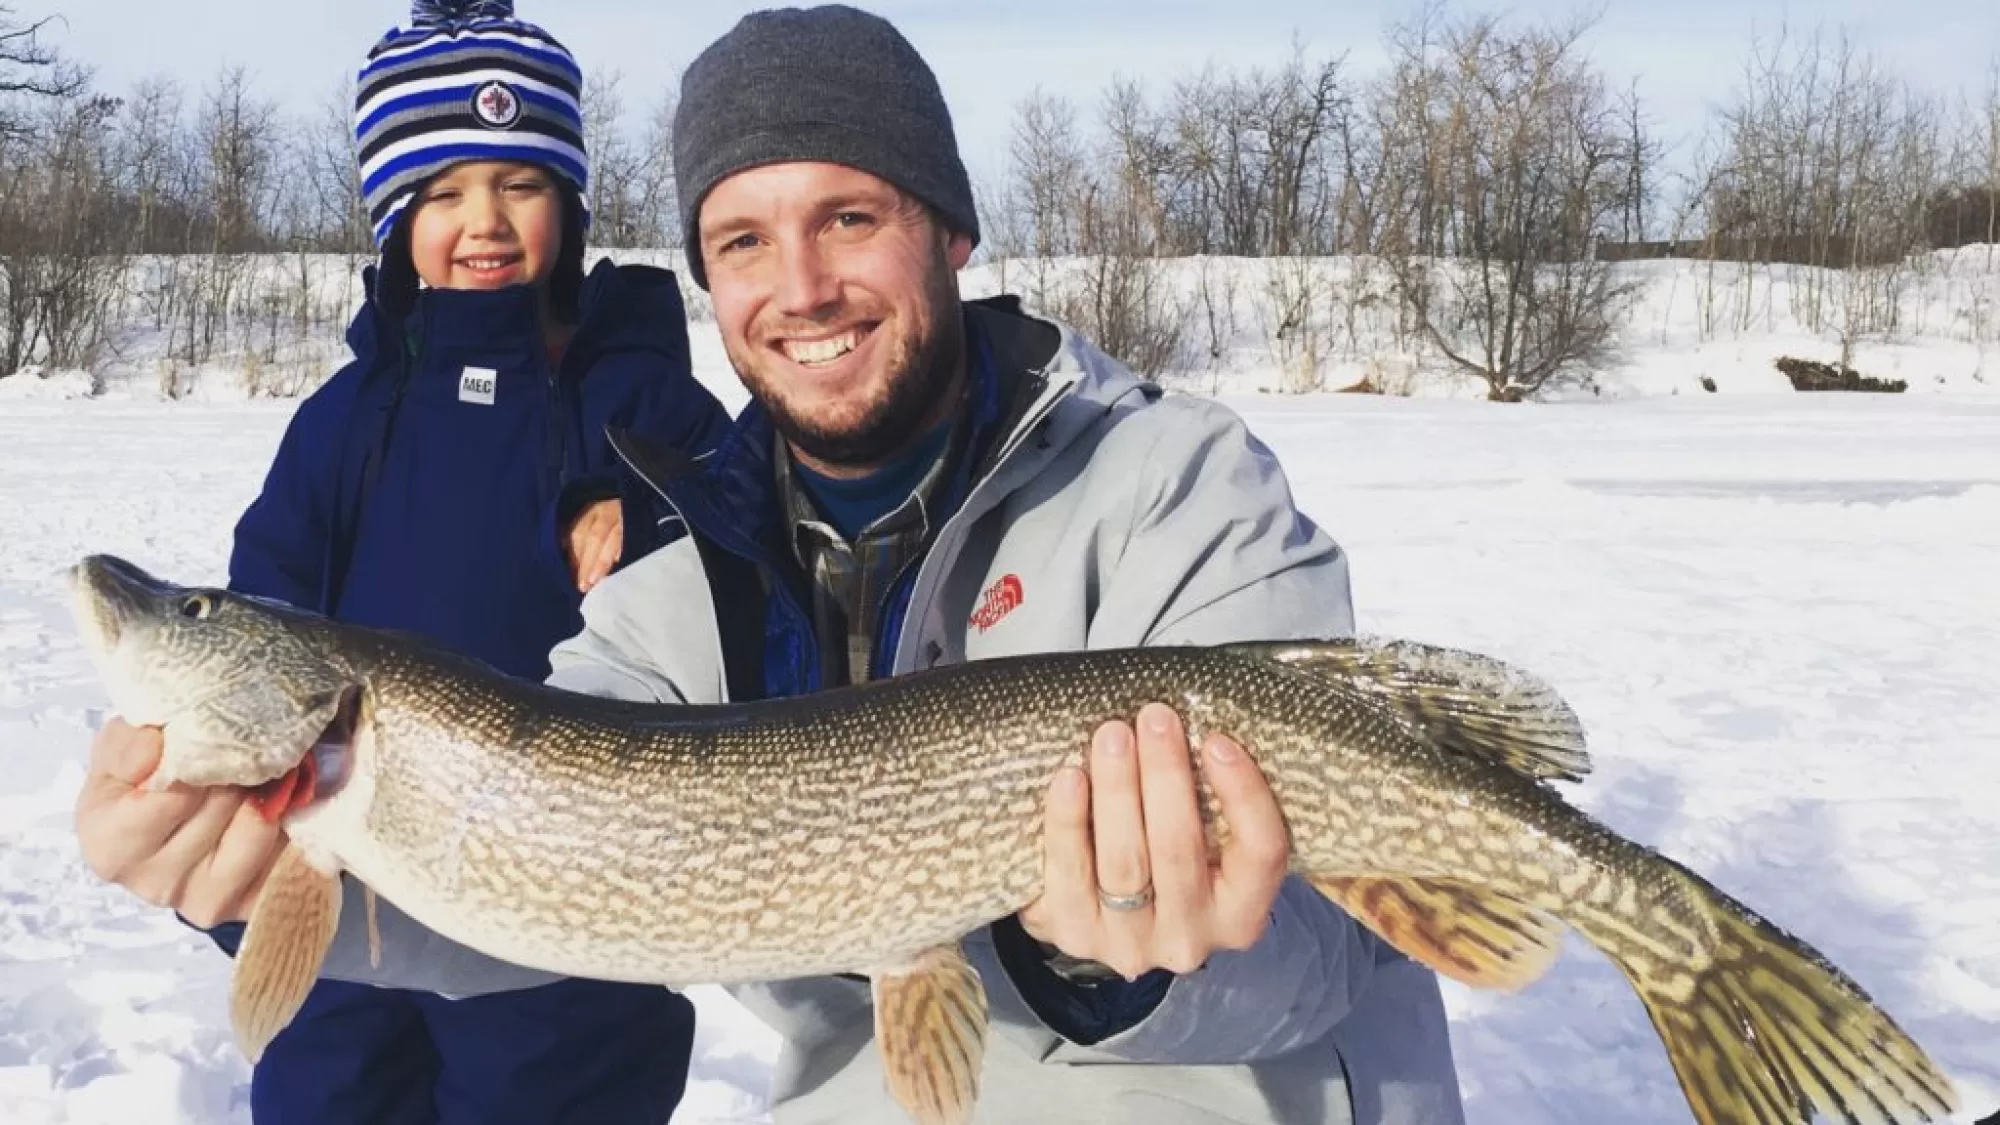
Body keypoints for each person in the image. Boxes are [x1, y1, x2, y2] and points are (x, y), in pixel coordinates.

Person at [543, 6, 1468, 1123]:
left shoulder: (1173, 482)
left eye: (846, 217)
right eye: (742, 240)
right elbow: (483, 861)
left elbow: (1331, 940)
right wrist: (298, 867)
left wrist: (1122, 961)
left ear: (948, 233)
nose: (800, 287)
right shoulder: (668, 607)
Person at [71, 1, 731, 1122]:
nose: (484, 221)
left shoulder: (647, 402)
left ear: (567, 202)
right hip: (343, 891)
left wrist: (654, 519)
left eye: (519, 185)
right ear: (393, 216)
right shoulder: (343, 417)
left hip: (562, 921)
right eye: (441, 192)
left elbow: (748, 563)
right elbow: (267, 606)